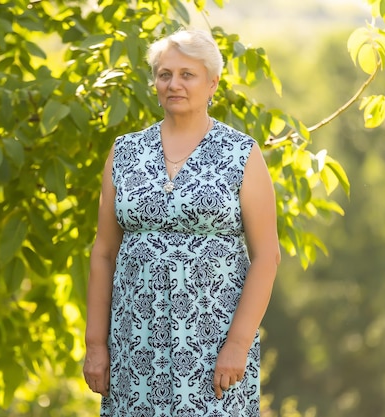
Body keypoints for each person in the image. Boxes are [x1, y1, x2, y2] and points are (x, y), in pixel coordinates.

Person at [83, 28, 281, 417]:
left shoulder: (242, 153)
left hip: (215, 349)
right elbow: (104, 253)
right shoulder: (125, 152)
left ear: (212, 83)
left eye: (187, 74)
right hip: (133, 344)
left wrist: (238, 344)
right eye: (164, 74)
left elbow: (267, 256)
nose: (174, 84)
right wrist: (95, 345)